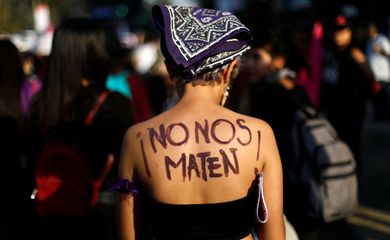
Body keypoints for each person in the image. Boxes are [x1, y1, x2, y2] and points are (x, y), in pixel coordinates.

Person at [114, 5, 285, 240]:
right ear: (229, 70)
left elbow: (129, 235)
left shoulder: (138, 139)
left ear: (169, 71)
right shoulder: (259, 135)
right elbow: (274, 235)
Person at [25, 17, 134, 240]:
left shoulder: (39, 105)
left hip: (47, 219)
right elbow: (130, 170)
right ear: (94, 53)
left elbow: (31, 162)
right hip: (99, 219)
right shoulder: (114, 104)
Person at [320, 15, 375, 185]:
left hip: (350, 110)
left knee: (351, 145)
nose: (339, 36)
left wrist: (355, 98)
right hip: (333, 108)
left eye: (343, 32)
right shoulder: (330, 52)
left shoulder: (354, 53)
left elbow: (369, 80)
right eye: (336, 32)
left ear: (350, 33)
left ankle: (354, 180)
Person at [365, 22, 390, 120]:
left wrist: (380, 51)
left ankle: (385, 118)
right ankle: (378, 117)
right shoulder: (368, 42)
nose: (368, 32)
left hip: (383, 75)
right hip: (374, 76)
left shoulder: (381, 40)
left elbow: (389, 54)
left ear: (374, 29)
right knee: (376, 98)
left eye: (369, 30)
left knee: (384, 98)